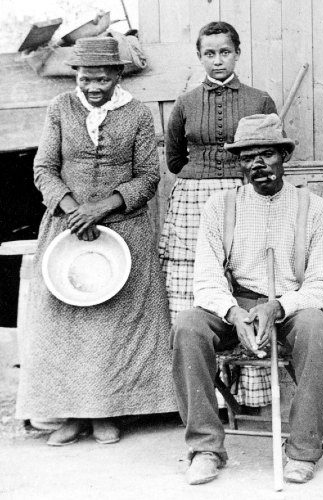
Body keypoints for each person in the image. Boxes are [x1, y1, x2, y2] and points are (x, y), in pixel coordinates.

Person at [16, 36, 176, 445]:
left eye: (102, 79)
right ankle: (72, 415)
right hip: (67, 229)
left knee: (113, 324)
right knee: (66, 322)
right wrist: (73, 210)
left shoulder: (137, 114)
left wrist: (101, 208)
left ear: (118, 75)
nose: (92, 87)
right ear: (76, 76)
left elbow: (148, 177)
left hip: (124, 227)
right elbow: (44, 169)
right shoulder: (60, 109)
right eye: (86, 78)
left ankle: (107, 413)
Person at [170, 114, 323, 485]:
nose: (258, 165)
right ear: (239, 163)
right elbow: (207, 279)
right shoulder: (219, 207)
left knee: (317, 329)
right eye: (248, 158)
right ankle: (205, 448)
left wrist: (278, 306)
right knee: (187, 326)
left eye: (267, 155)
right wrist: (233, 312)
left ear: (284, 157)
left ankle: (303, 451)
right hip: (237, 305)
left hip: (291, 308)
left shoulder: (316, 209)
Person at [161, 21, 277, 409]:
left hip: (246, 197)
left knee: (246, 284)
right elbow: (175, 159)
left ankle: (252, 394)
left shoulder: (259, 100)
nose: (217, 60)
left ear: (237, 53)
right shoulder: (186, 103)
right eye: (209, 53)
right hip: (194, 200)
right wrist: (204, 178)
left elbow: (270, 154)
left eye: (224, 52)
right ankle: (208, 394)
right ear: (200, 57)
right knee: (198, 289)